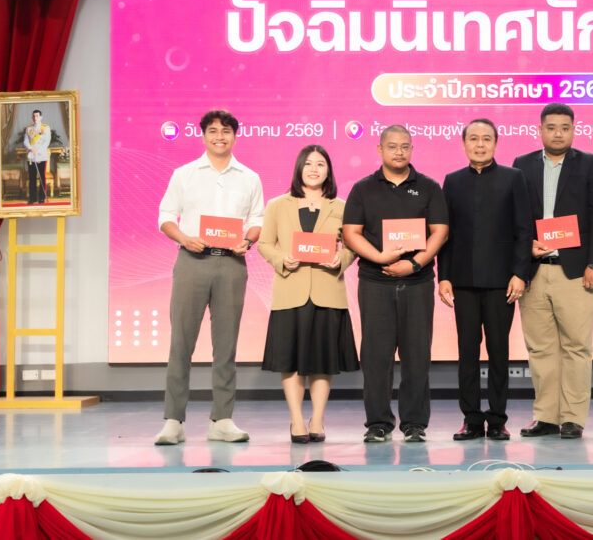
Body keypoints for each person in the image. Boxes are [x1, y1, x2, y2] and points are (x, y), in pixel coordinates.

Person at [154, 110, 264, 445]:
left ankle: (222, 420)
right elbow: (165, 216)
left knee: (226, 345)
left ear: (235, 136)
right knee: (181, 343)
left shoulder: (249, 177)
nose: (220, 136)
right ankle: (173, 421)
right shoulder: (184, 174)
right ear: (203, 135)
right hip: (192, 261)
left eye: (226, 131)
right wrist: (184, 238)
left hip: (231, 264)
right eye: (213, 130)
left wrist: (248, 240)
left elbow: (257, 219)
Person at [343, 125, 449, 443]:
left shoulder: (429, 187)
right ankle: (378, 423)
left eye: (405, 146)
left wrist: (414, 264)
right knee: (376, 356)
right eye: (392, 146)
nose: (399, 152)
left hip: (418, 283)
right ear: (380, 149)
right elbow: (351, 232)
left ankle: (414, 424)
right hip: (375, 283)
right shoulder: (363, 189)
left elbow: (440, 231)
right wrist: (379, 257)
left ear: (412, 150)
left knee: (417, 356)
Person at [512, 103, 593, 439]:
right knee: (540, 349)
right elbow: (516, 217)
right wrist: (524, 249)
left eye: (565, 128)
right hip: (535, 271)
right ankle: (546, 416)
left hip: (576, 271)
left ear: (573, 130)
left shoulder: (590, 164)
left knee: (576, 347)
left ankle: (572, 418)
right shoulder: (522, 165)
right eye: (551, 127)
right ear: (540, 129)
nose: (558, 133)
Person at [257, 145, 360, 444]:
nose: (314, 169)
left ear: (329, 170)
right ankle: (296, 420)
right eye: (308, 164)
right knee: (290, 360)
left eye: (320, 164)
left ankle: (317, 419)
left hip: (328, 292)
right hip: (290, 291)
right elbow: (264, 244)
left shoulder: (342, 207)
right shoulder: (278, 205)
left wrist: (340, 260)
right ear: (299, 168)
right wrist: (281, 259)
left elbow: (352, 246)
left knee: (322, 360)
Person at [439, 119, 532, 442]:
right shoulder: (452, 181)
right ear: (464, 143)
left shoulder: (513, 178)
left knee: (498, 353)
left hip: (501, 282)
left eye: (487, 139)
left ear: (496, 143)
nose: (480, 144)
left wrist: (520, 273)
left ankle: (497, 419)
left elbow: (524, 230)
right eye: (474, 139)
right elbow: (445, 234)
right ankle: (471, 419)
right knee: (467, 352)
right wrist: (444, 276)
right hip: (463, 282)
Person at [23, 109, 51, 204]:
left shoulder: (45, 128)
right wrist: (31, 149)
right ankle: (32, 198)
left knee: (42, 177)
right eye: (34, 116)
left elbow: (46, 142)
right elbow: (25, 141)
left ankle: (42, 197)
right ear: (32, 117)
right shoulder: (29, 128)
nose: (35, 118)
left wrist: (38, 153)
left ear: (41, 117)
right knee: (32, 178)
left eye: (37, 116)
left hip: (41, 156)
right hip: (31, 156)